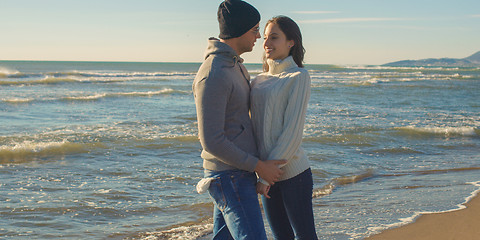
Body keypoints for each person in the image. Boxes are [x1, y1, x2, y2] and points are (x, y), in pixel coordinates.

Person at [192, 1, 287, 239]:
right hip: (229, 176)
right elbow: (212, 140)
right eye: (254, 29)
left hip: (237, 173)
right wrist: (258, 166)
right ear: (239, 30)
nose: (258, 37)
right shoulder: (214, 73)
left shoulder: (235, 66)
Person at [250, 16, 318, 239]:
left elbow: (292, 133)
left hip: (293, 174)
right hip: (265, 173)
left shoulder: (299, 76)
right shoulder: (257, 81)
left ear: (291, 42)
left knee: (306, 236)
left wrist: (265, 178)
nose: (267, 43)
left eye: (274, 37)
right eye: (266, 37)